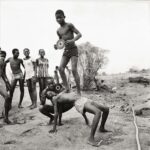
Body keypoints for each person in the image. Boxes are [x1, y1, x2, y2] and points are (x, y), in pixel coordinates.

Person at [54, 9, 82, 95]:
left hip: (73, 49)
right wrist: (56, 46)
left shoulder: (69, 25)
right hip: (66, 51)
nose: (58, 19)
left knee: (74, 69)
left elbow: (79, 34)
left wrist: (72, 40)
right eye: (57, 18)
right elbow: (61, 42)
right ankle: (67, 88)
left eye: (60, 17)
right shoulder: (58, 30)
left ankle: (78, 91)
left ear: (64, 17)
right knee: (61, 69)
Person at [0, 50, 12, 124]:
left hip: (0, 79)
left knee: (7, 97)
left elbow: (3, 74)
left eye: (4, 55)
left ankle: (5, 117)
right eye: (1, 54)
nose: (3, 56)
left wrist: (7, 83)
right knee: (6, 97)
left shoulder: (3, 63)